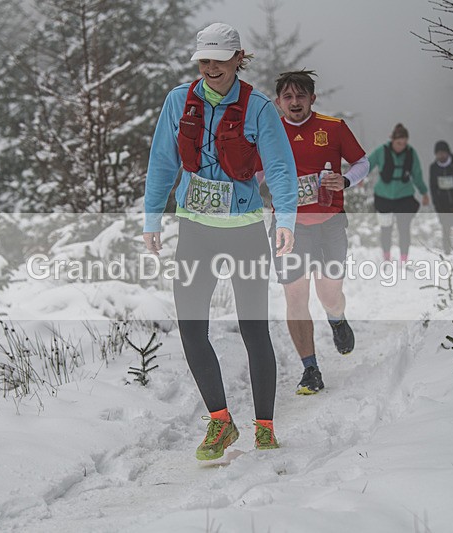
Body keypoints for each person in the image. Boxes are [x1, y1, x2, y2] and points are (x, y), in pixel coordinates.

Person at [142, 23, 298, 460]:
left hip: (246, 232)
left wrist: (286, 218)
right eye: (204, 60)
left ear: (237, 58)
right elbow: (161, 162)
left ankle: (264, 426)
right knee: (192, 329)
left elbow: (281, 169)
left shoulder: (260, 108)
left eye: (219, 59)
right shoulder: (178, 102)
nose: (211, 67)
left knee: (254, 330)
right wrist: (151, 217)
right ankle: (220, 422)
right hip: (194, 231)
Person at [270, 70, 368, 395]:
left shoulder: (333, 127)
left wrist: (346, 180)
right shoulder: (270, 132)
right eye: (288, 97)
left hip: (330, 223)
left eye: (301, 96)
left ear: (313, 98)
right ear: (278, 102)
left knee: (328, 294)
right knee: (295, 296)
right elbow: (253, 172)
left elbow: (361, 163)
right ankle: (309, 368)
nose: (294, 102)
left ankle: (337, 317)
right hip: (289, 226)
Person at [367, 124, 429, 262]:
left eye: (404, 143)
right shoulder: (381, 151)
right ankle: (386, 257)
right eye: (398, 143)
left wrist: (424, 192)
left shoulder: (411, 153)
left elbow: (417, 175)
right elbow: (367, 164)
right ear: (392, 140)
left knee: (404, 229)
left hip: (404, 197)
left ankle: (404, 259)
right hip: (383, 196)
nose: (401, 146)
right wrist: (358, 178)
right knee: (386, 229)